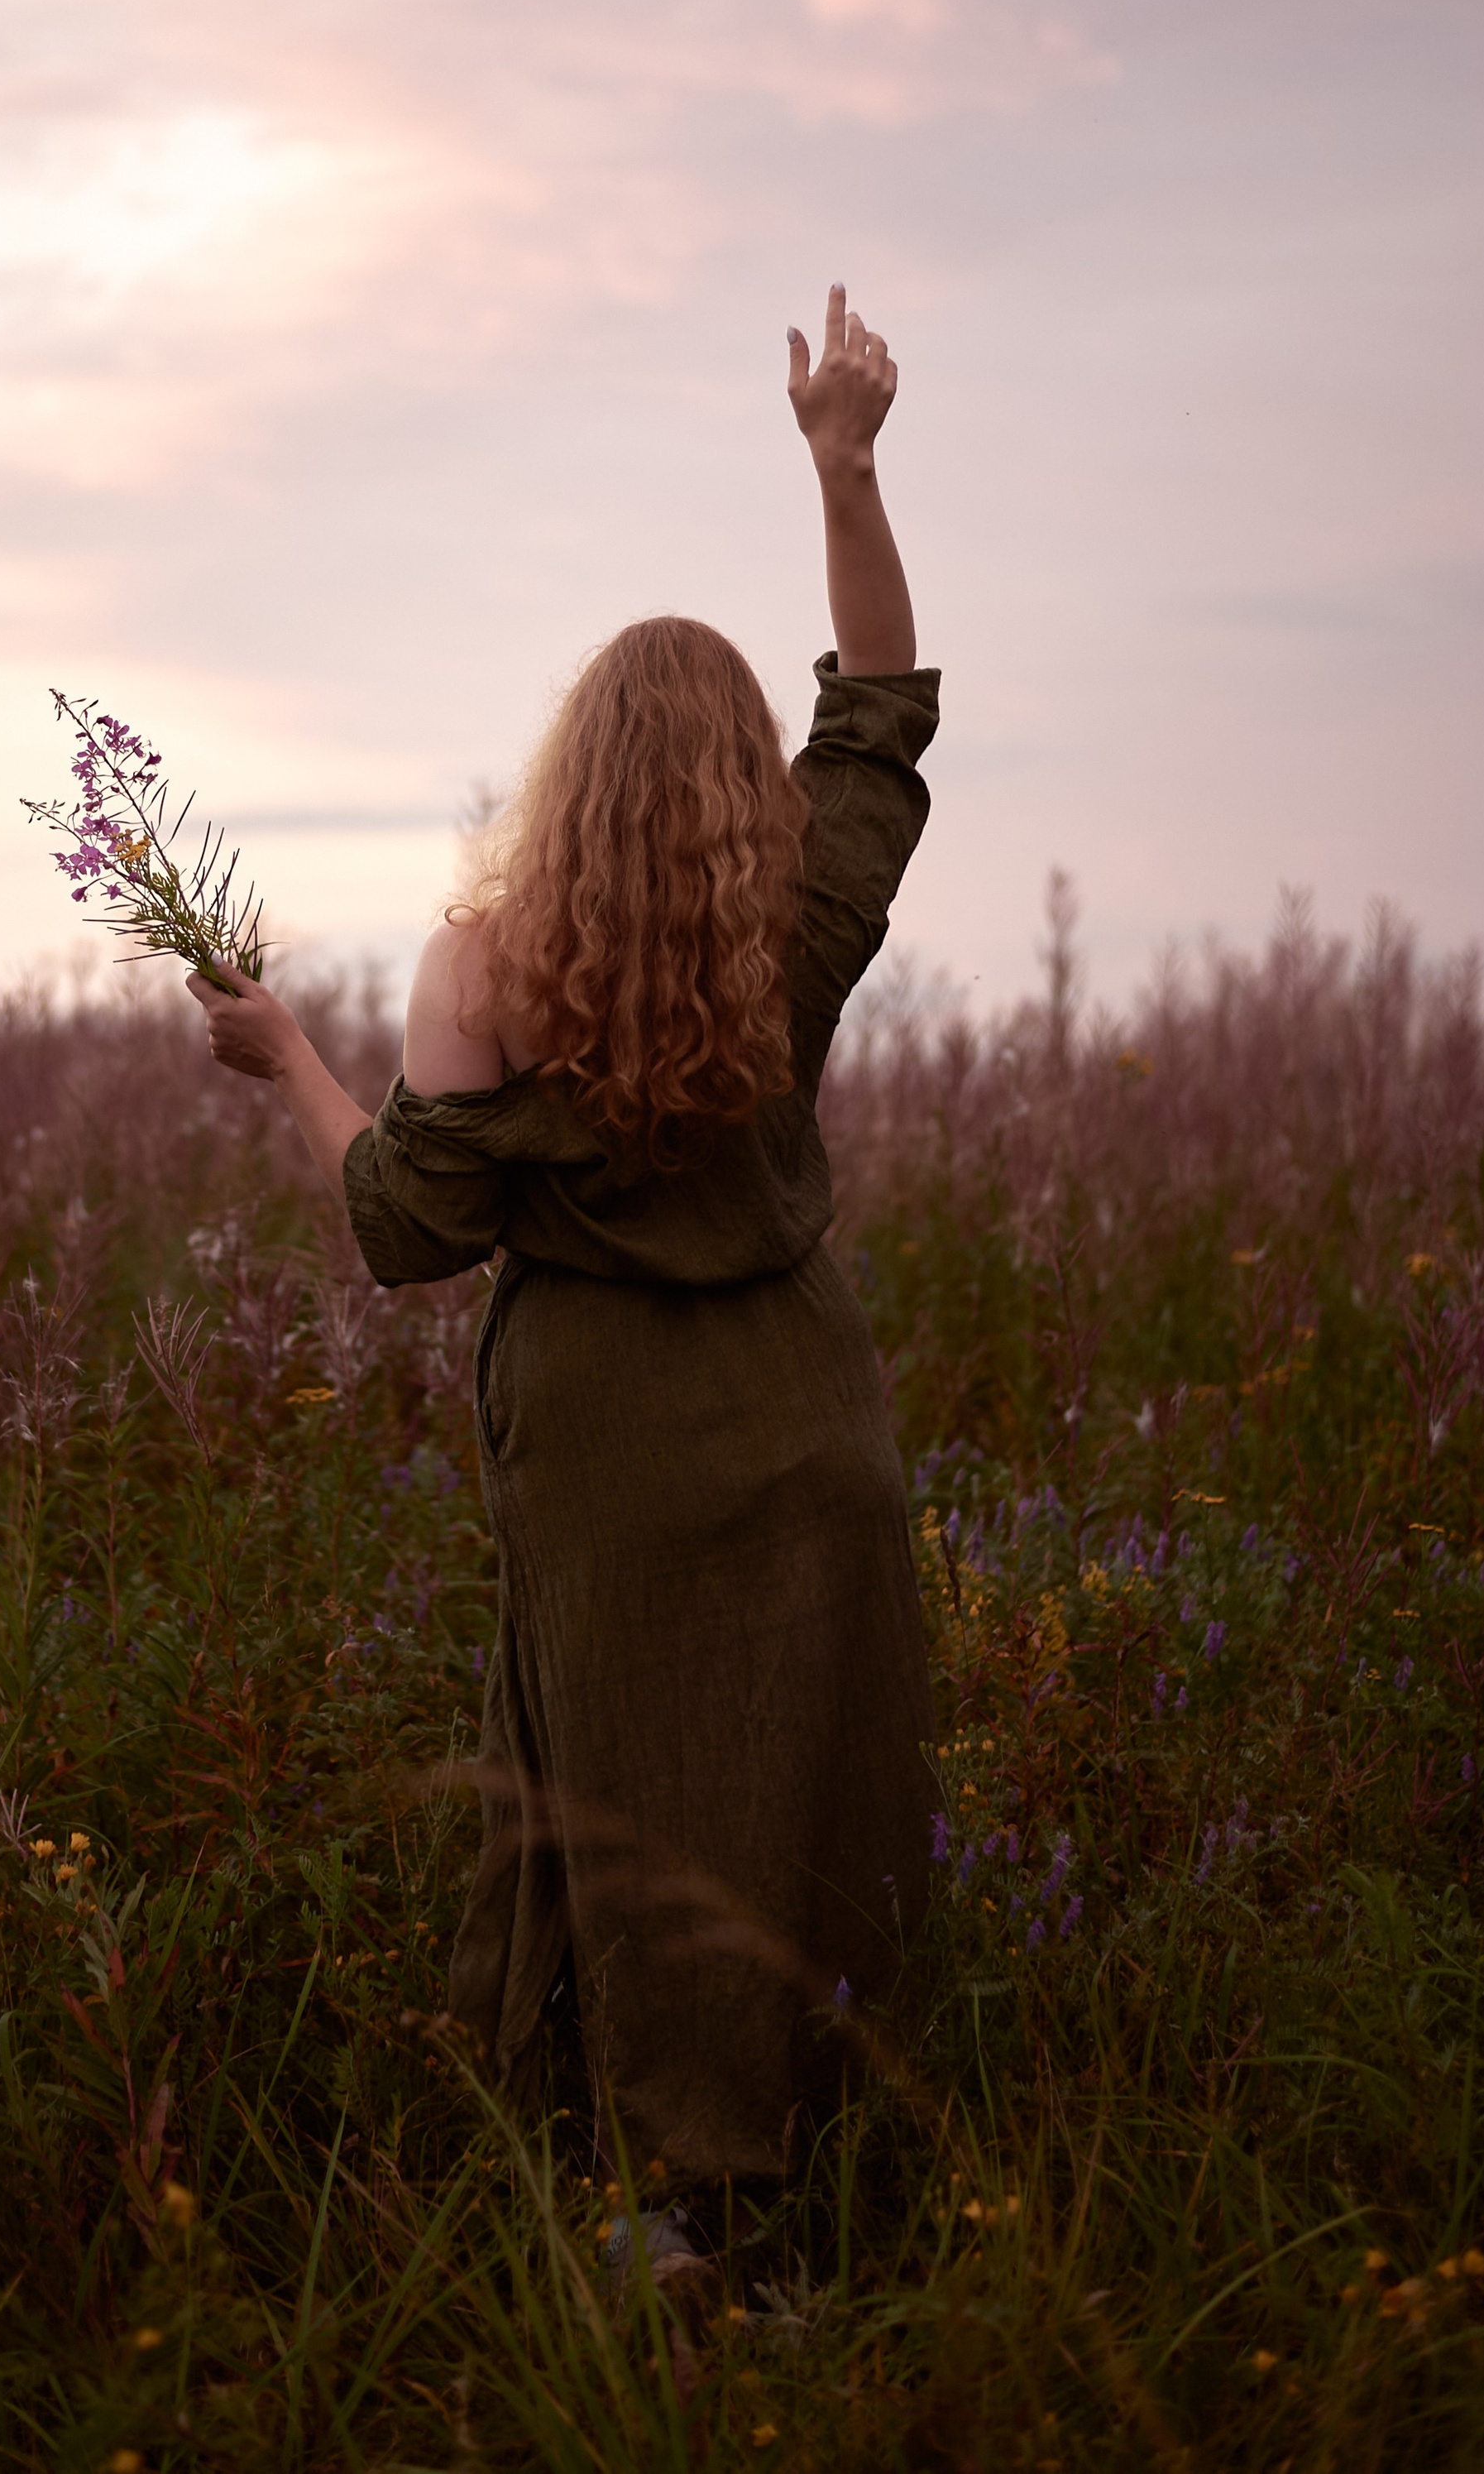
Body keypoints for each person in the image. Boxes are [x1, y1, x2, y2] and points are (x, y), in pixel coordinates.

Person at [187, 282, 939, 2194]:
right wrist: (844, 474)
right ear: (731, 773)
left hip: (607, 1451)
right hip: (808, 1420)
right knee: (809, 1798)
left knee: (626, 1812)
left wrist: (285, 1058)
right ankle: (839, 2169)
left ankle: (659, 2202)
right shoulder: (794, 934)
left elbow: (400, 1223)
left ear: (574, 769)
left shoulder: (485, 965)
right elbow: (878, 716)